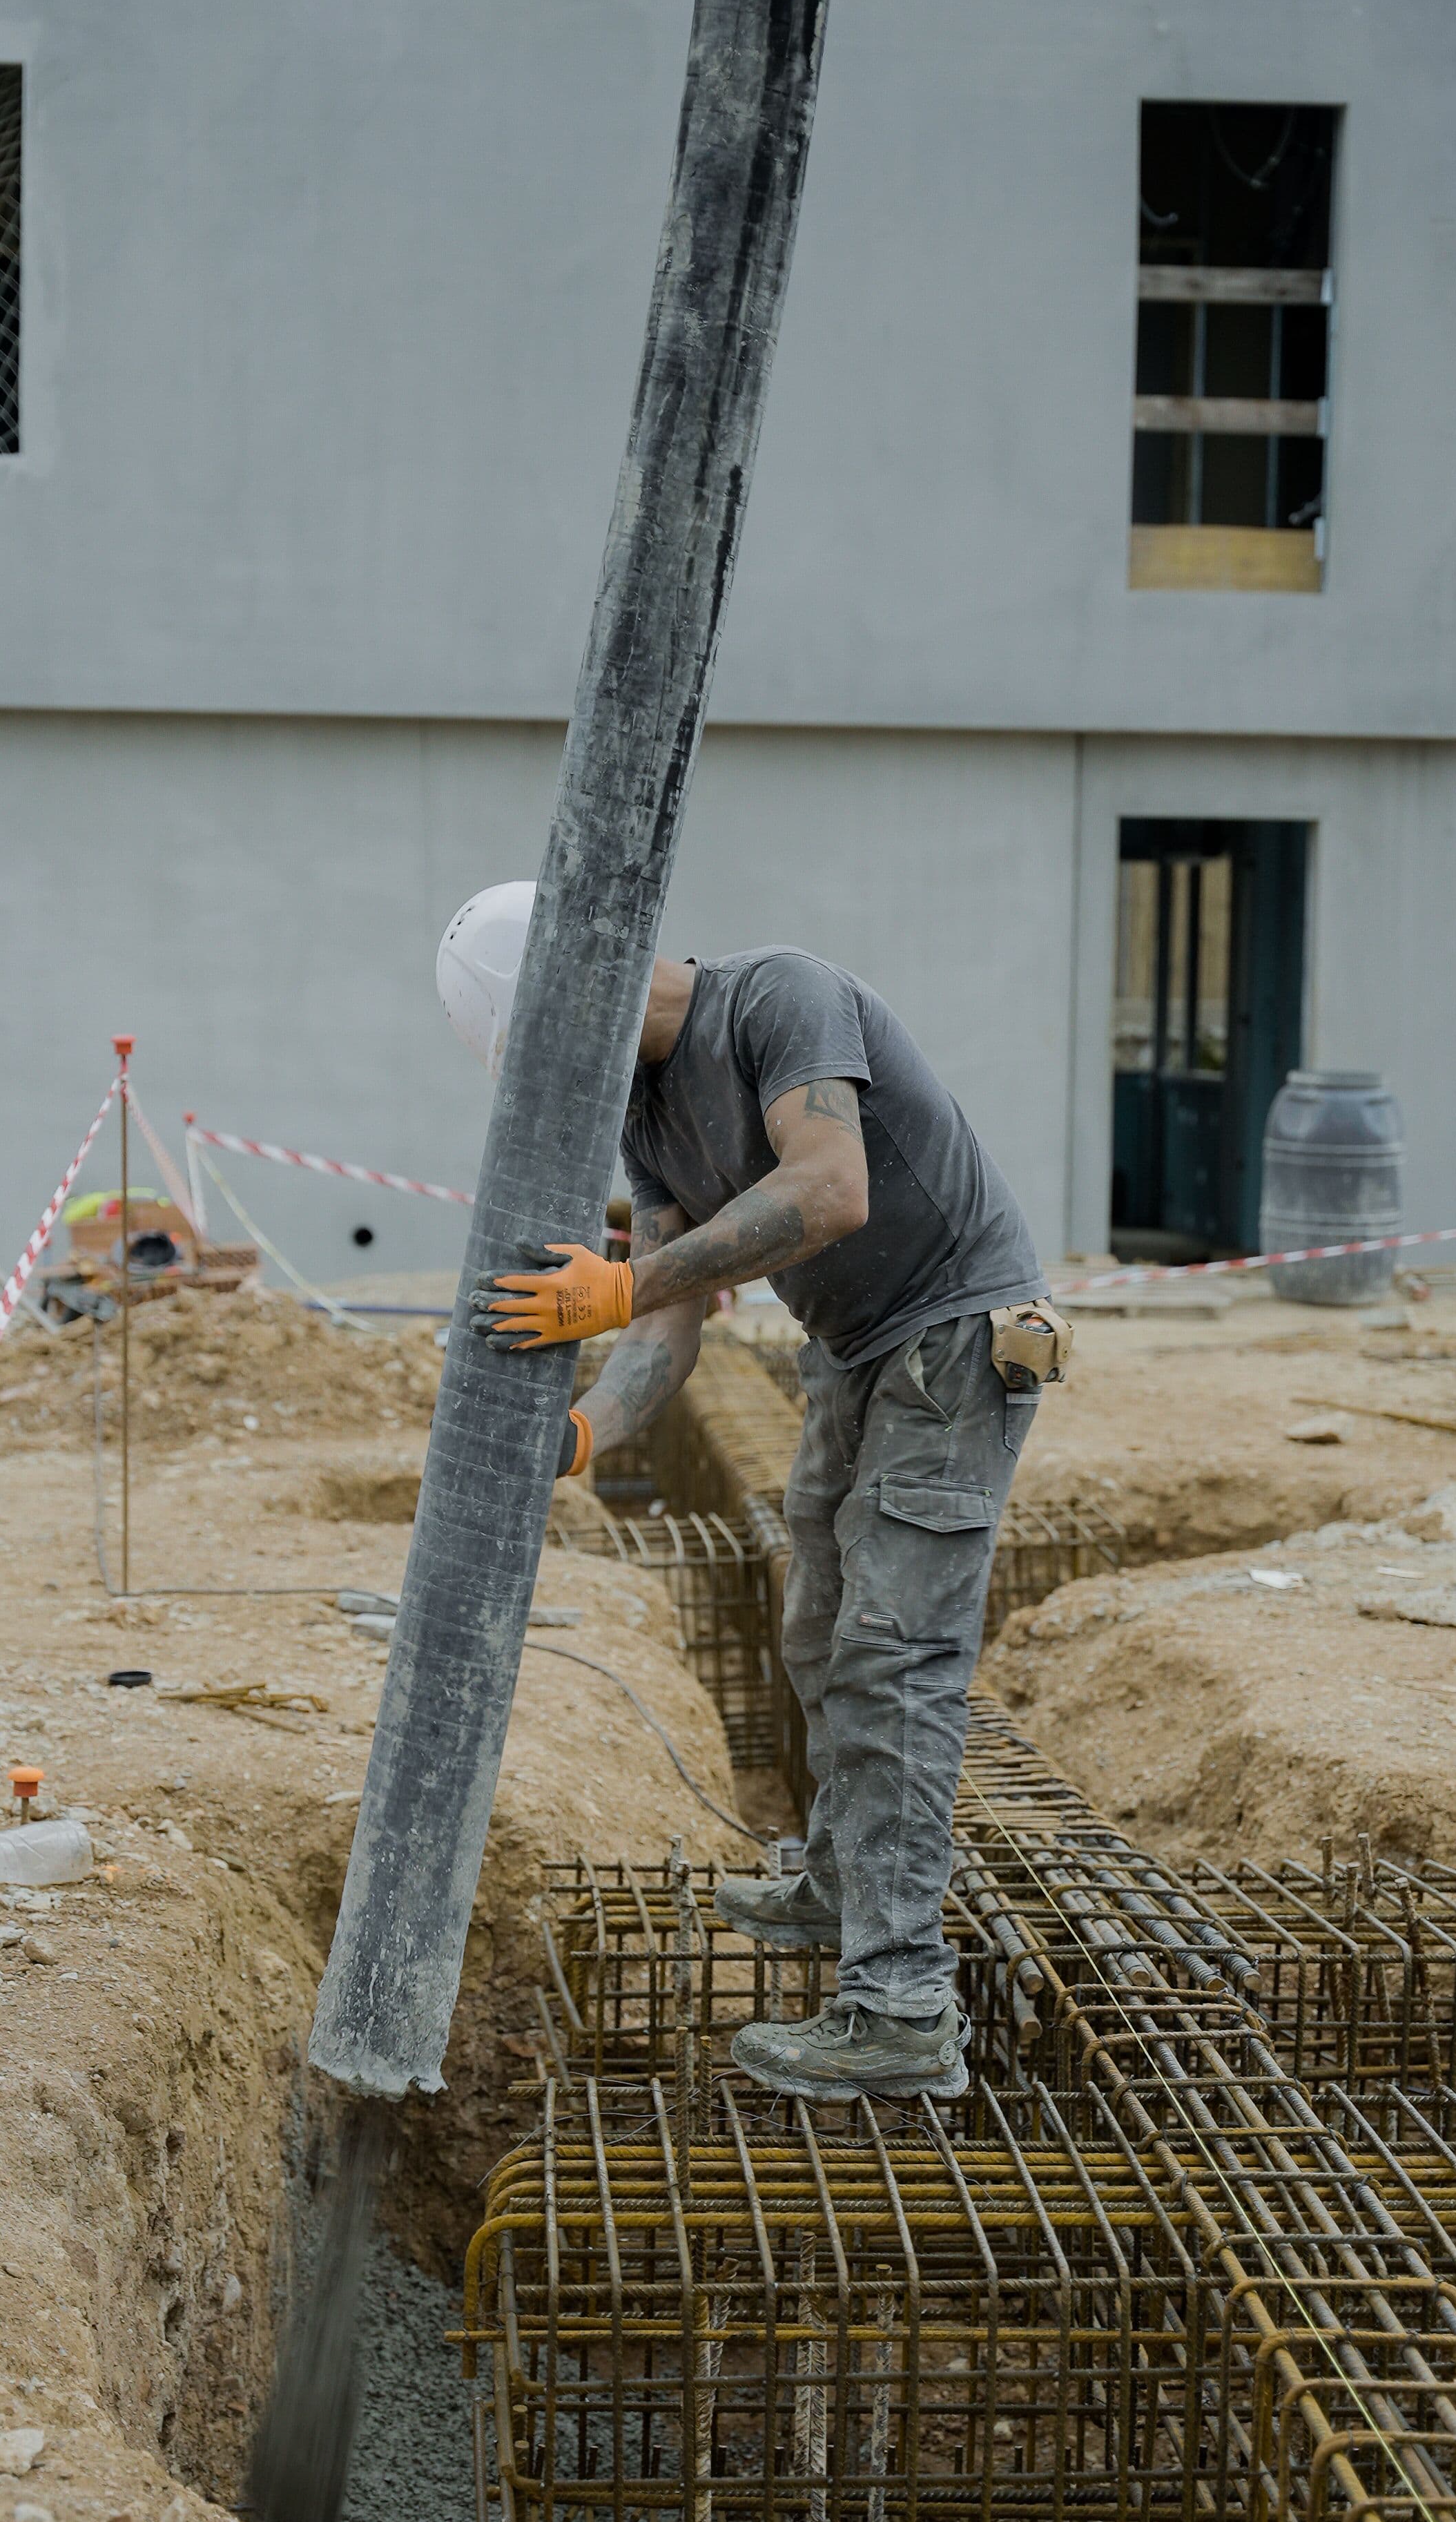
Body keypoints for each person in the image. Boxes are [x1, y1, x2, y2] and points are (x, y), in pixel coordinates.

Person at [440, 882, 1052, 2103]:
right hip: (859, 1350)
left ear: (591, 992)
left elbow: (831, 1189)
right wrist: (582, 1432)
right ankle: (841, 1883)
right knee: (820, 1634)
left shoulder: (783, 996)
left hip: (957, 1337)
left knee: (895, 1658)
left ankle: (901, 2009)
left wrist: (621, 1282)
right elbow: (667, 1319)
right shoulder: (646, 1111)